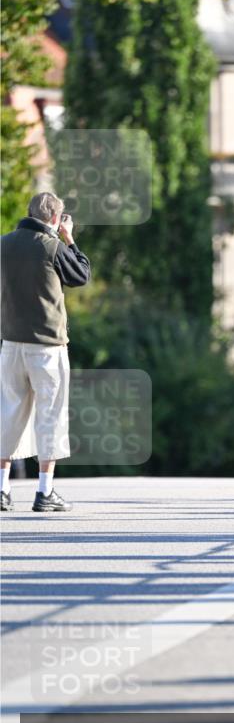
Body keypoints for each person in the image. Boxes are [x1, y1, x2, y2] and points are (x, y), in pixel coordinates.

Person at [1, 192, 91, 512]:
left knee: (8, 414)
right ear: (54, 218)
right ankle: (45, 491)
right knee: (49, 415)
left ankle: (2, 490)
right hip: (47, 346)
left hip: (10, 343)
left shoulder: (4, 243)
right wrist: (69, 238)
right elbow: (80, 275)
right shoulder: (51, 246)